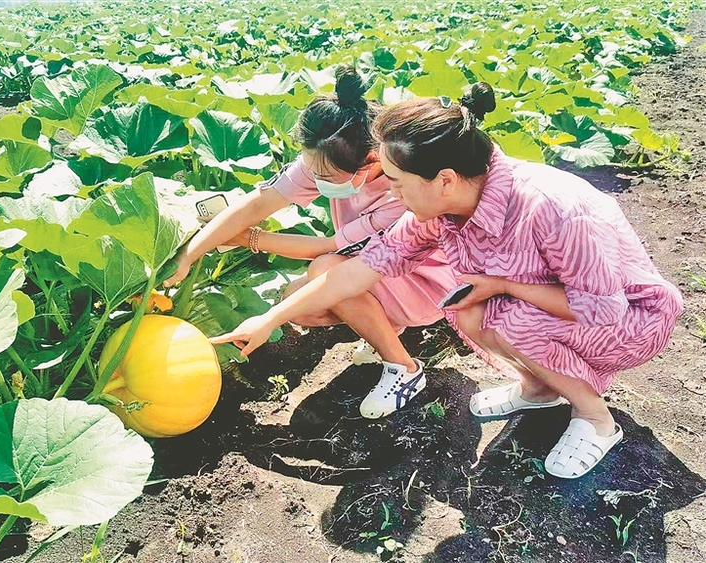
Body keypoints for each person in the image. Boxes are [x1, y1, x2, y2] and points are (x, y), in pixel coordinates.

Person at [210, 83, 684, 479]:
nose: (390, 191)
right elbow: (360, 267)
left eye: (396, 181)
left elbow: (603, 310)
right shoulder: (441, 209)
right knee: (468, 306)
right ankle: (540, 389)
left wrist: (506, 285)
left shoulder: (556, 209)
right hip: (562, 311)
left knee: (505, 313)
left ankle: (596, 419)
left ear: (445, 179)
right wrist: (269, 319)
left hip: (630, 322)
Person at [165, 66, 459, 419]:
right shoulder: (329, 155)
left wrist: (249, 240)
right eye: (312, 170)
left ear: (370, 162)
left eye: (324, 176)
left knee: (324, 271)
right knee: (299, 300)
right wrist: (190, 253)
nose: (316, 180)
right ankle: (385, 327)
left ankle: (405, 370)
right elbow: (257, 204)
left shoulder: (401, 193)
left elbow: (330, 250)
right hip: (373, 270)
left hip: (430, 283)